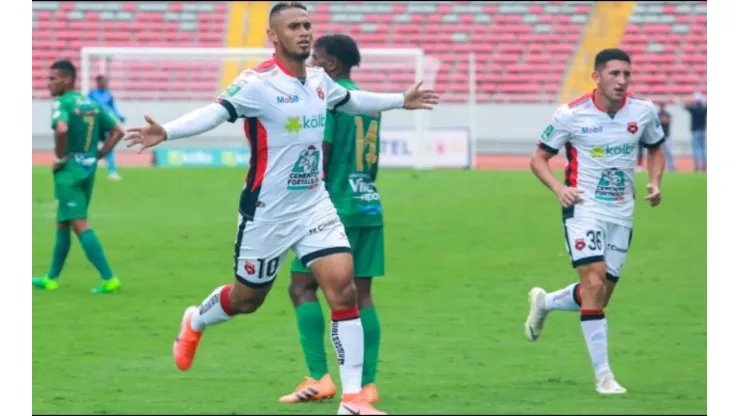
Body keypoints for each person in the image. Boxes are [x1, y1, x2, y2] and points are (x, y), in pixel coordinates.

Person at [123, 2, 437, 414]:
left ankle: (354, 399)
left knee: (343, 291)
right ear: (274, 35)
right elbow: (216, 112)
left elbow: (351, 102)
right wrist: (167, 131)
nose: (304, 32)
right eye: (293, 26)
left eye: (307, 24)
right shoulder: (257, 84)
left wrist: (400, 100)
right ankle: (196, 320)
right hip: (267, 213)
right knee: (246, 300)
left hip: (314, 205)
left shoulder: (321, 81)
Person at [525, 48, 666, 395]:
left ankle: (546, 302)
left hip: (622, 212)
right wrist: (559, 188)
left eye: (626, 74)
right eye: (615, 74)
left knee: (600, 296)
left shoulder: (644, 111)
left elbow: (656, 149)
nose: (622, 81)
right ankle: (604, 376)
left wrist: (654, 181)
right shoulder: (571, 114)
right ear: (597, 77)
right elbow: (539, 158)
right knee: (594, 282)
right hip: (584, 209)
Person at [279, 34, 384, 405]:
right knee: (363, 295)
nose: (310, 65)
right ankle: (367, 385)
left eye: (316, 59)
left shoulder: (327, 100)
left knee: (301, 287)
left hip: (330, 207)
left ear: (332, 65)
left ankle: (319, 376)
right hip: (368, 204)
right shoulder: (370, 105)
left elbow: (319, 157)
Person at [32, 60, 125, 294]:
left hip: (69, 173)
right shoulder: (90, 103)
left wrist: (60, 158)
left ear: (67, 79)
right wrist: (100, 154)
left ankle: (109, 278)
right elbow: (118, 131)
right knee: (63, 222)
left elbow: (62, 129)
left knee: (79, 223)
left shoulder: (62, 103)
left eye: (53, 79)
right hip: (87, 169)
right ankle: (51, 277)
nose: (48, 83)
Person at [88, 75, 126, 180]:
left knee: (109, 146)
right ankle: (88, 171)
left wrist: (119, 116)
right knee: (90, 147)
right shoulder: (92, 94)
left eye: (106, 81)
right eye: (103, 81)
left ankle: (112, 172)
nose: (105, 83)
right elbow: (87, 106)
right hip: (94, 124)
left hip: (105, 124)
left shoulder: (108, 94)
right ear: (98, 82)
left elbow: (112, 107)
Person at [684, 92, 707, 172]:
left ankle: (697, 166)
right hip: (703, 130)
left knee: (696, 149)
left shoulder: (693, 109)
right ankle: (704, 165)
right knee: (704, 148)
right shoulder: (704, 108)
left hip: (695, 131)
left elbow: (685, 106)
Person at [657, 102, 675, 172]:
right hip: (659, 136)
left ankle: (671, 167)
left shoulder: (667, 114)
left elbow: (667, 121)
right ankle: (660, 167)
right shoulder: (658, 114)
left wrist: (661, 120)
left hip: (667, 136)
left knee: (669, 152)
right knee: (660, 153)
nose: (662, 107)